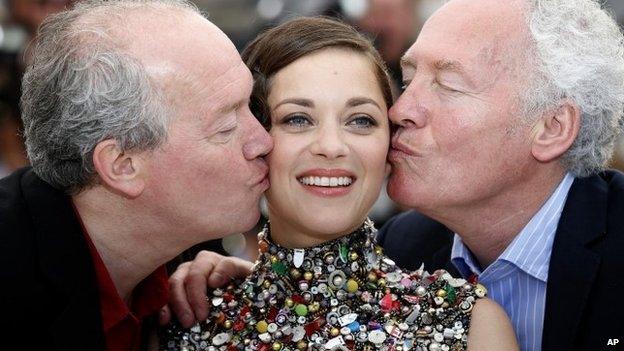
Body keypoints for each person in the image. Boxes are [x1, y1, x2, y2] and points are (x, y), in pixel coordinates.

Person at [168, 0, 624, 350]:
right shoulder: (406, 244)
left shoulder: (455, 313)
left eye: (447, 84)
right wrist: (257, 282)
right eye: (407, 80)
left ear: (551, 127)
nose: (400, 111)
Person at [0, 0, 272, 349]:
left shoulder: (187, 257)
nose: (263, 141)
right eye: (227, 127)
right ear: (122, 165)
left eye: (251, 106)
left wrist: (259, 307)